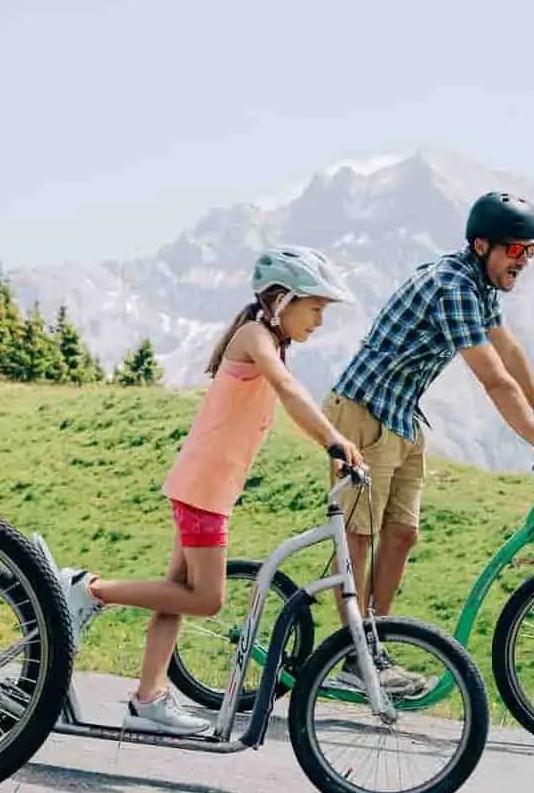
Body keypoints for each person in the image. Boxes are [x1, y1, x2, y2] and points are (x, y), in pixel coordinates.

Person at [48, 248, 418, 733]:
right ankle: (89, 589)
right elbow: (287, 389)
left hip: (206, 485)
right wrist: (334, 438)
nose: (321, 321)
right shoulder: (254, 337)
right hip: (204, 487)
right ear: (283, 299)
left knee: (176, 594)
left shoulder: (269, 338)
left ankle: (147, 701)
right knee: (206, 599)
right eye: (316, 309)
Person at [321, 190, 534, 618]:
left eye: (531, 251)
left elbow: (509, 351)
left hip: (401, 414)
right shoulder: (454, 286)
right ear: (482, 246)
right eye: (515, 249)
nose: (523, 261)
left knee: (403, 533)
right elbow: (495, 380)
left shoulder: (480, 286)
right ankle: (357, 651)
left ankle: (375, 638)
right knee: (360, 534)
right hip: (363, 409)